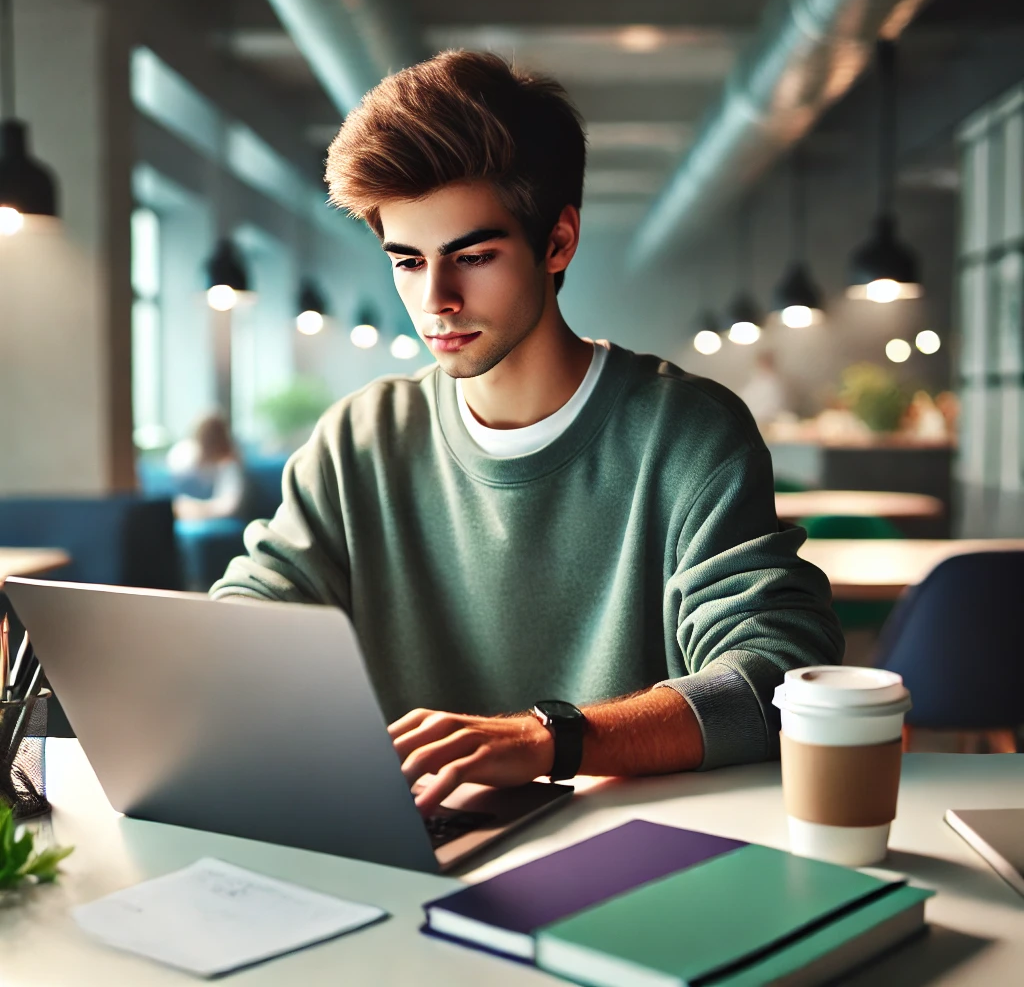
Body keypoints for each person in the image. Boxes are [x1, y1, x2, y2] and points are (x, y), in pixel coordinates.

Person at [212, 52, 843, 814]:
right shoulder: (360, 437)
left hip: (630, 850)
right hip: (410, 845)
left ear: (558, 242)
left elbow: (777, 672)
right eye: (407, 262)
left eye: (472, 257)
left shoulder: (687, 434)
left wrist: (550, 741)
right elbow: (252, 610)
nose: (435, 299)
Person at [169, 414, 248, 522]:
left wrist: (196, 508)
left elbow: (229, 507)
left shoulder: (229, 467)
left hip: (224, 520)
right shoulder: (193, 464)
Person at [739, 351, 790, 431]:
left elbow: (775, 405)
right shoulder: (754, 381)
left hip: (767, 424)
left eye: (766, 362)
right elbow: (744, 399)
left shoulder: (775, 383)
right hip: (750, 422)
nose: (763, 365)